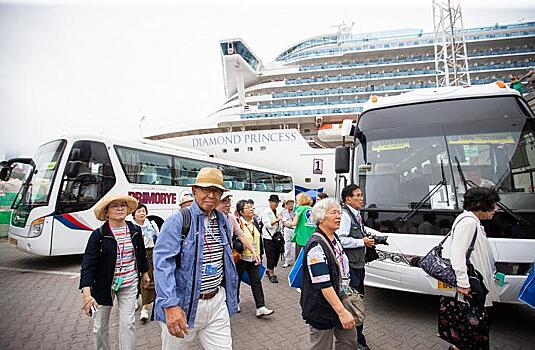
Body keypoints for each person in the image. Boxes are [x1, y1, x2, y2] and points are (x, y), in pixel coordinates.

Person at [153, 167, 238, 350]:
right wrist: (170, 305)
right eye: (206, 189)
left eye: (216, 191)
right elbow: (163, 264)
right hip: (184, 305)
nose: (211, 195)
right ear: (194, 191)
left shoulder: (223, 221)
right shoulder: (178, 220)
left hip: (216, 302)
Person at [79, 194, 150, 350]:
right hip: (103, 287)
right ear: (106, 212)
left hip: (130, 284)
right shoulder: (98, 235)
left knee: (128, 324)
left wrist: (144, 273)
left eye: (123, 205)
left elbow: (141, 254)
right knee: (99, 327)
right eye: (114, 206)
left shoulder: (135, 231)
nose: (119, 208)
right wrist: (86, 294)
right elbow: (88, 266)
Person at [445, 187, 501, 350]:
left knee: (474, 323)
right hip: (473, 284)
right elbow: (457, 254)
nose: (495, 209)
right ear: (478, 204)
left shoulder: (472, 221)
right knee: (475, 323)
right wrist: (463, 283)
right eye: (492, 204)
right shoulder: (468, 222)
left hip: (478, 281)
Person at [301, 198, 357, 349]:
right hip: (321, 308)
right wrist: (342, 312)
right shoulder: (316, 246)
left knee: (349, 341)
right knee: (322, 346)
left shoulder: (334, 237)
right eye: (334, 213)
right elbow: (323, 284)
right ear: (321, 217)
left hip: (340, 300)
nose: (339, 216)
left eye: (339, 212)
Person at [338, 184, 374, 350]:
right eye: (358, 195)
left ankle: (354, 338)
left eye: (361, 195)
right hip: (351, 267)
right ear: (348, 199)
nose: (362, 198)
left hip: (358, 264)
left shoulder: (356, 214)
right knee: (353, 303)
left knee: (357, 300)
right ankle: (357, 341)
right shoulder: (345, 215)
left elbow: (358, 232)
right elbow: (341, 239)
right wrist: (362, 242)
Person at [235, 199, 275, 317]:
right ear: (241, 212)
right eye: (248, 207)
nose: (251, 209)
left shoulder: (255, 222)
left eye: (251, 206)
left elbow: (258, 240)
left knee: (256, 281)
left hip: (254, 259)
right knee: (236, 281)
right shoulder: (237, 223)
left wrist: (259, 254)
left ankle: (260, 307)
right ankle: (235, 302)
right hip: (241, 258)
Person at [132, 202, 160, 321]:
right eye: (139, 211)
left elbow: (158, 239)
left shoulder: (152, 224)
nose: (141, 213)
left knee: (147, 279)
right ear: (134, 214)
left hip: (149, 253)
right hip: (134, 254)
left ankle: (145, 308)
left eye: (143, 211)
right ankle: (134, 298)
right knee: (134, 278)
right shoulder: (130, 226)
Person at [261, 194, 283, 283]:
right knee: (270, 255)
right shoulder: (266, 212)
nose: (276, 204)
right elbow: (267, 224)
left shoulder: (277, 211)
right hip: (268, 237)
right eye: (274, 202)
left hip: (276, 237)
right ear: (270, 202)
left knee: (276, 255)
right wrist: (277, 220)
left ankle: (269, 270)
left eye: (277, 202)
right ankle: (271, 273)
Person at [291, 192, 316, 260]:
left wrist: (285, 222)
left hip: (302, 238)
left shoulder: (300, 209)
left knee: (300, 260)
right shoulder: (313, 209)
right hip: (313, 238)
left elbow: (294, 223)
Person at [281, 196, 296, 268]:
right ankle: (287, 261)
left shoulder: (296, 211)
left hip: (295, 229)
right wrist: (282, 230)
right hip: (287, 229)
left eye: (291, 203)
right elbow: (283, 222)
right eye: (288, 203)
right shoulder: (283, 212)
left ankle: (296, 261)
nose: (290, 205)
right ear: (286, 205)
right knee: (287, 245)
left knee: (296, 246)